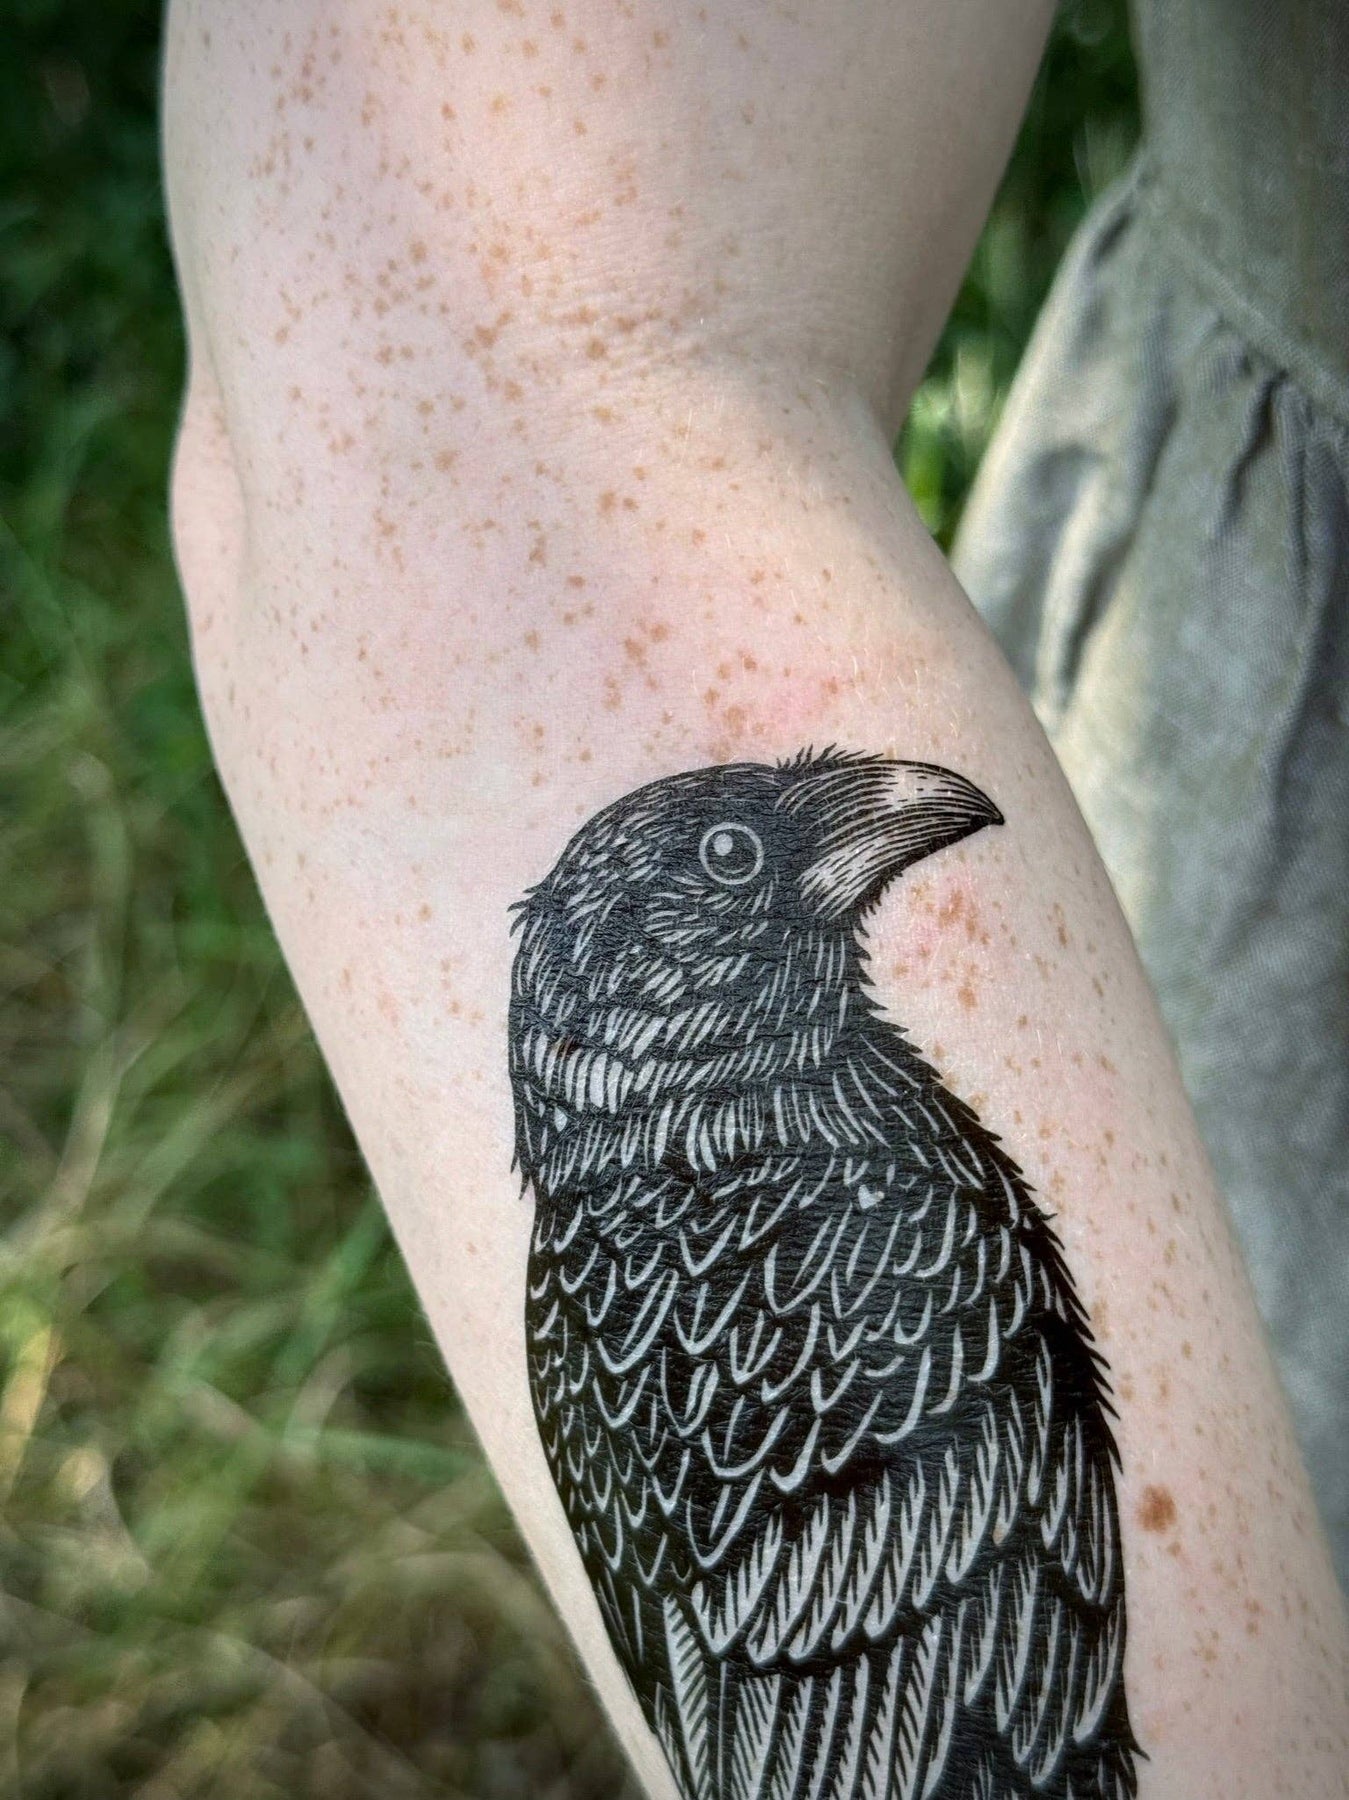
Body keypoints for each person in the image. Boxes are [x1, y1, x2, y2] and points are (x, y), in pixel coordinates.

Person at [162, 3, 1348, 1796]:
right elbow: (483, 404)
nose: (866, 815)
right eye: (733, 858)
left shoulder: (665, 1241)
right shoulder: (808, 1209)